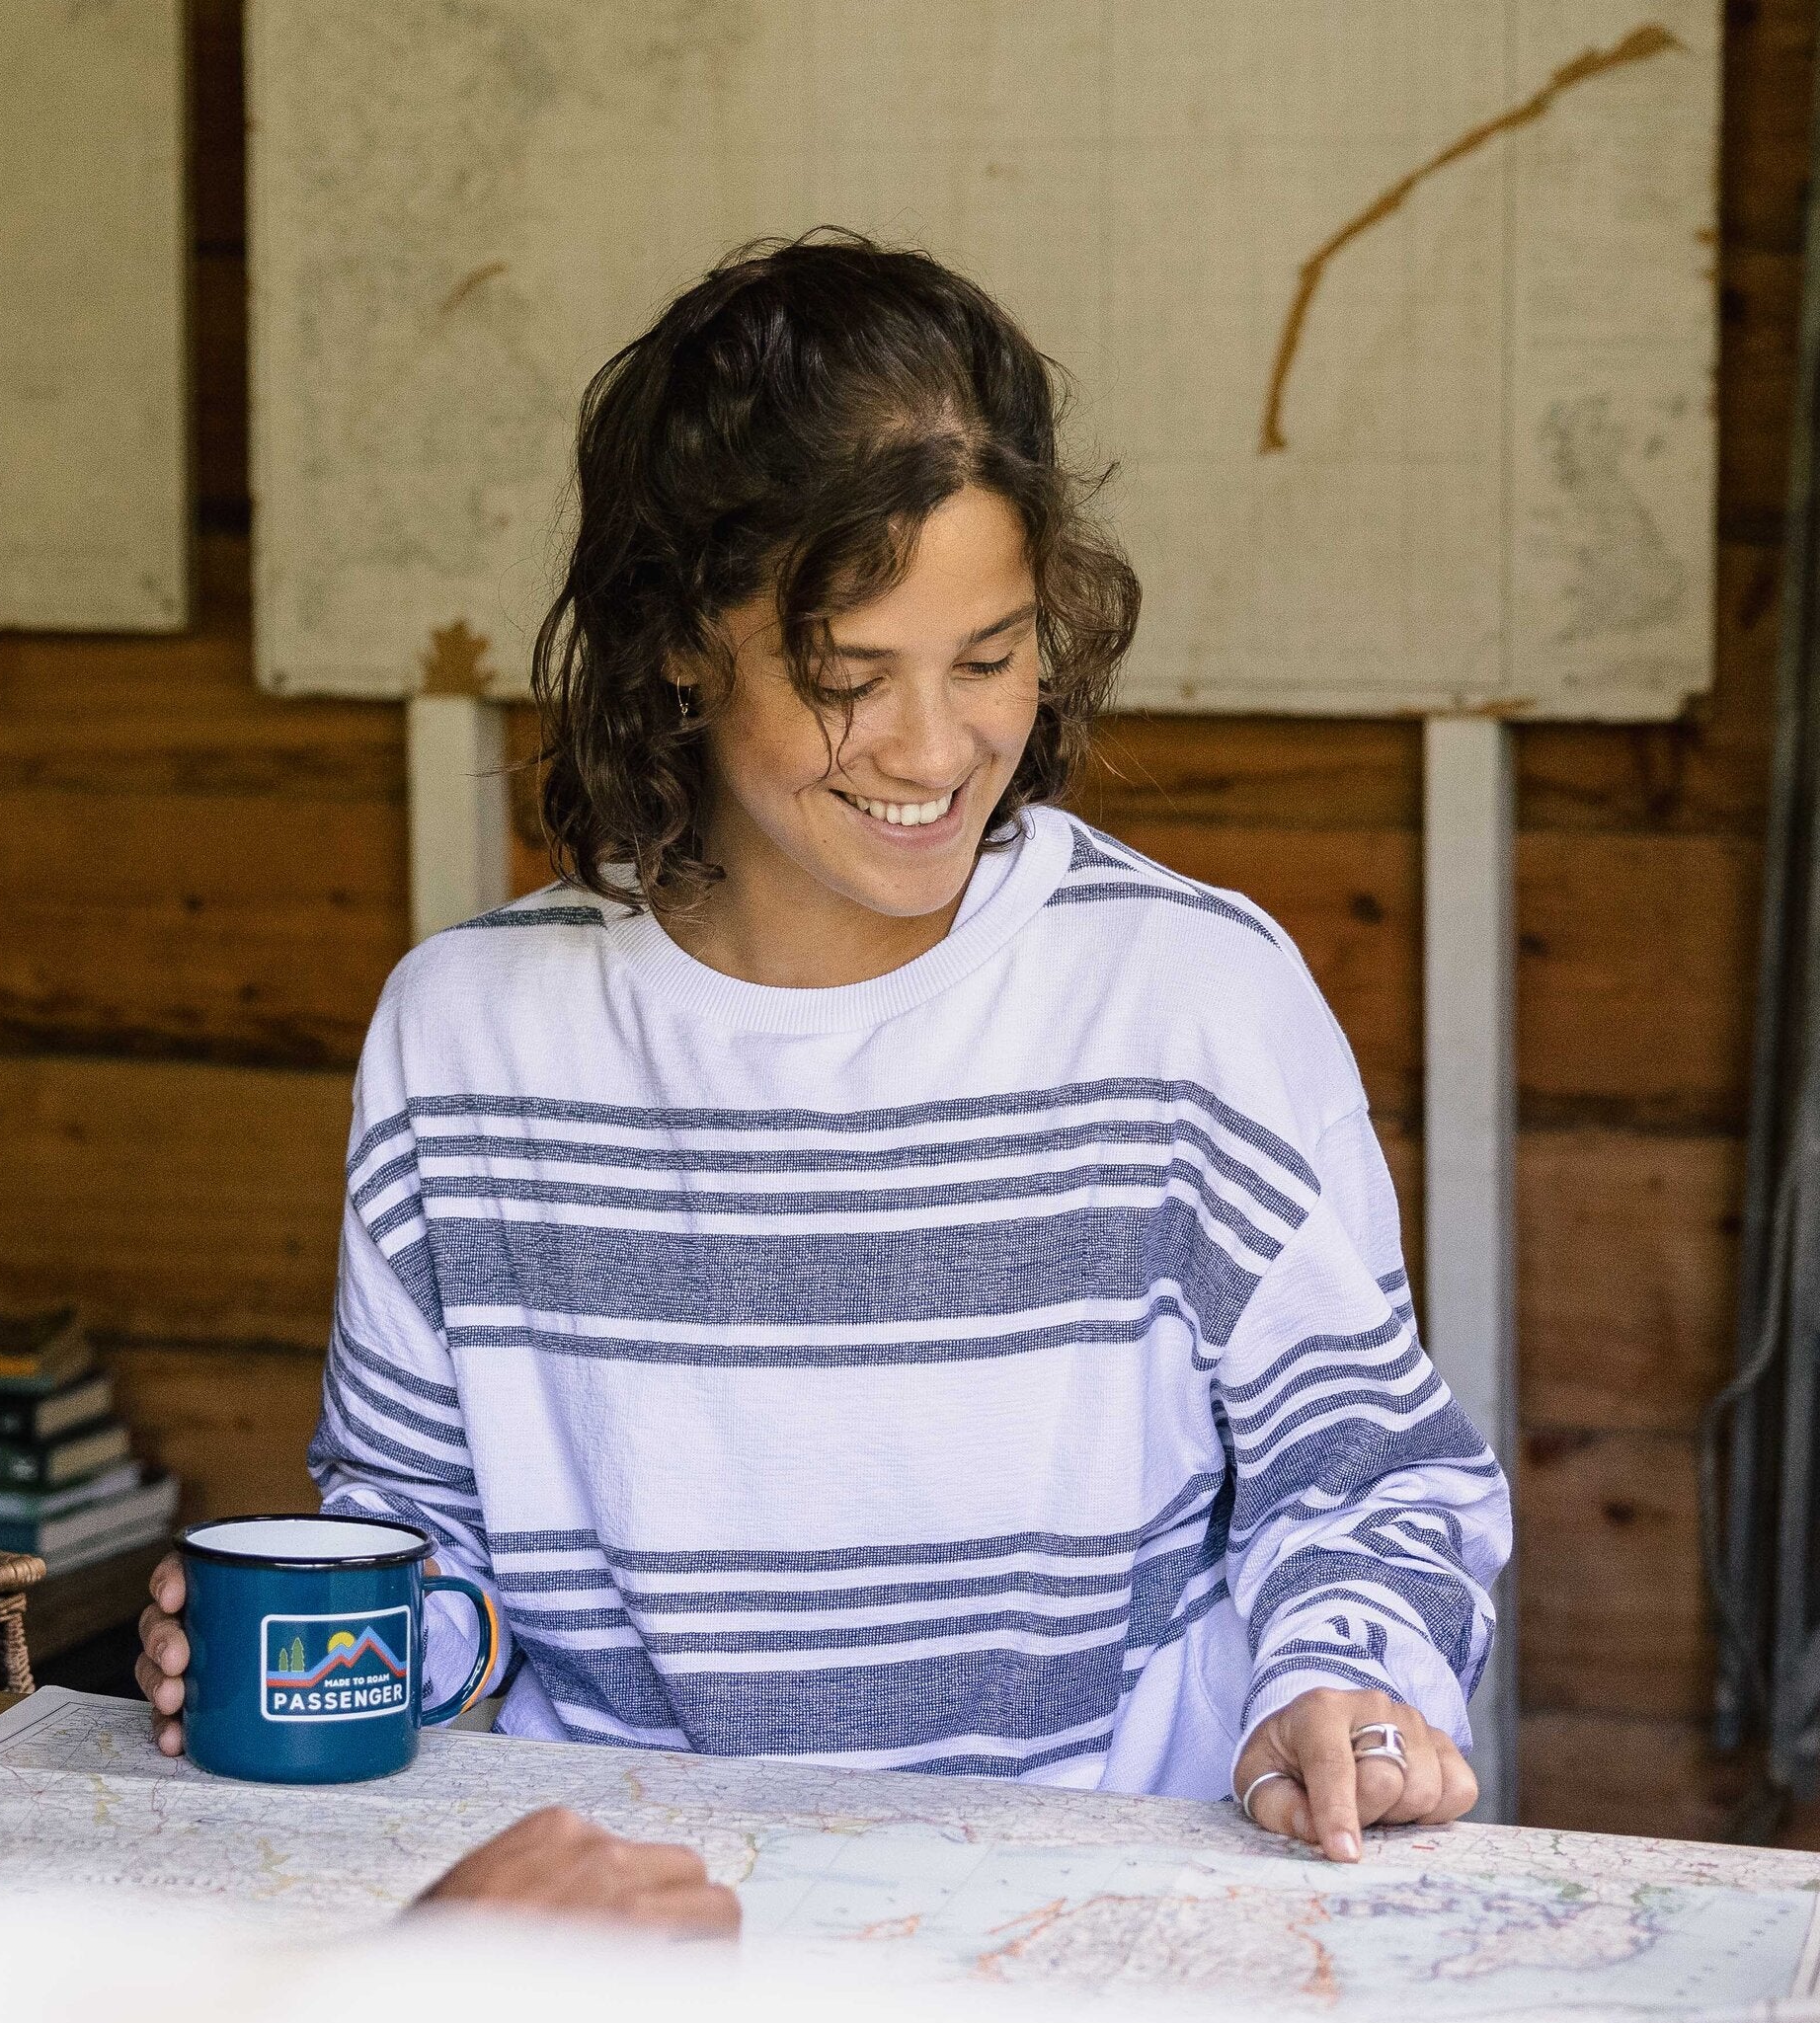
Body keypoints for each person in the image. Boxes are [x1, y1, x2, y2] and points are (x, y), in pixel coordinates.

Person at [92, 230, 1508, 1907]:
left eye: (988, 659)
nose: (933, 751)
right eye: (848, 680)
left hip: (1107, 1924)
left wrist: (1343, 1677)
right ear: (686, 638)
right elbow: (439, 1555)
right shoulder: (465, 1037)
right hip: (640, 1939)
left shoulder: (1188, 998)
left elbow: (1371, 1475)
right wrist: (350, 1643)